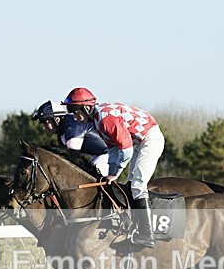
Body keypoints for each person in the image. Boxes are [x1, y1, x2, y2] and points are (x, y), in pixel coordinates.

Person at [62, 87, 164, 249]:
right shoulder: (95, 121)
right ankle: (134, 227)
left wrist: (114, 174)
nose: (75, 116)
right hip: (139, 142)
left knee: (137, 185)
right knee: (131, 187)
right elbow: (114, 150)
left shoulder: (104, 119)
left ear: (87, 107)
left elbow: (126, 150)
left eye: (75, 111)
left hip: (150, 138)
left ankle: (147, 234)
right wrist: (109, 174)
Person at [31, 100, 109, 177]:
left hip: (106, 155)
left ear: (56, 119)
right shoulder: (62, 133)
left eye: (45, 122)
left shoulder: (71, 126)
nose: (43, 127)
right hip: (95, 156)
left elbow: (73, 158)